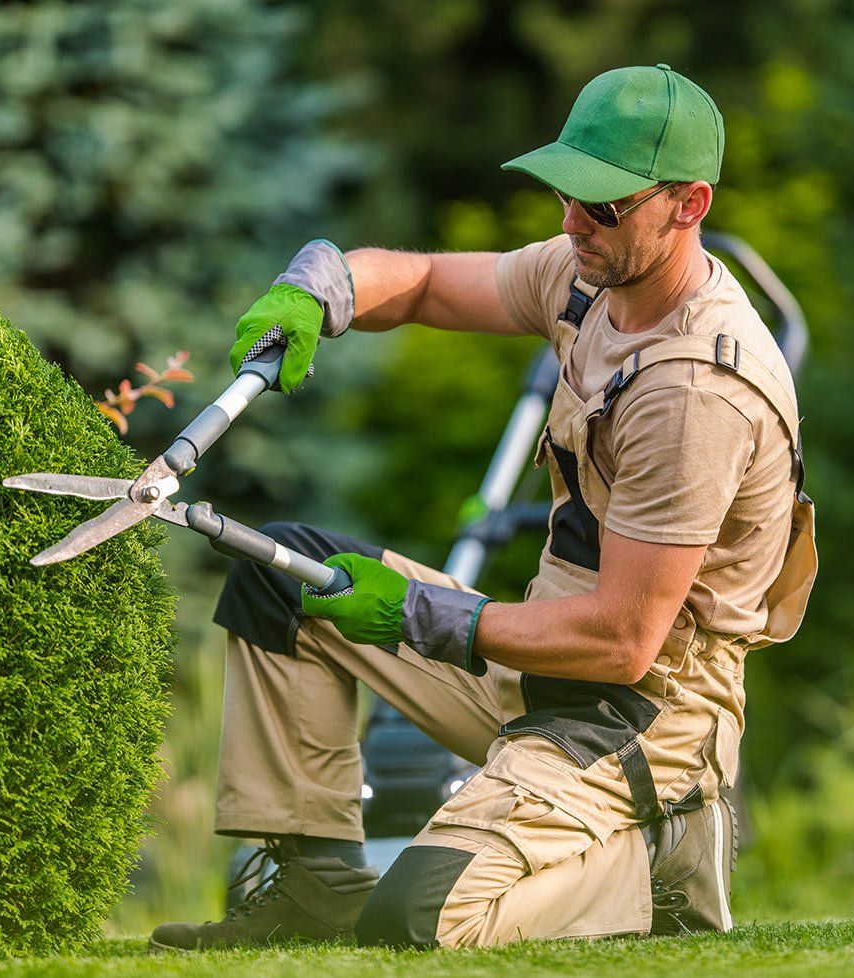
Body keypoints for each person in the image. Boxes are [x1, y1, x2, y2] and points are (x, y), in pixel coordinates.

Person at [150, 63, 816, 952]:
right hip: (539, 666)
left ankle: (655, 866)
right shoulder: (591, 279)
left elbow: (623, 643)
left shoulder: (697, 389)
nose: (574, 222)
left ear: (689, 204)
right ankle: (311, 891)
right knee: (282, 579)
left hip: (641, 726)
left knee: (417, 920)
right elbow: (423, 282)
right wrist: (321, 285)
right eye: (567, 194)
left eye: (604, 205)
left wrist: (423, 614)